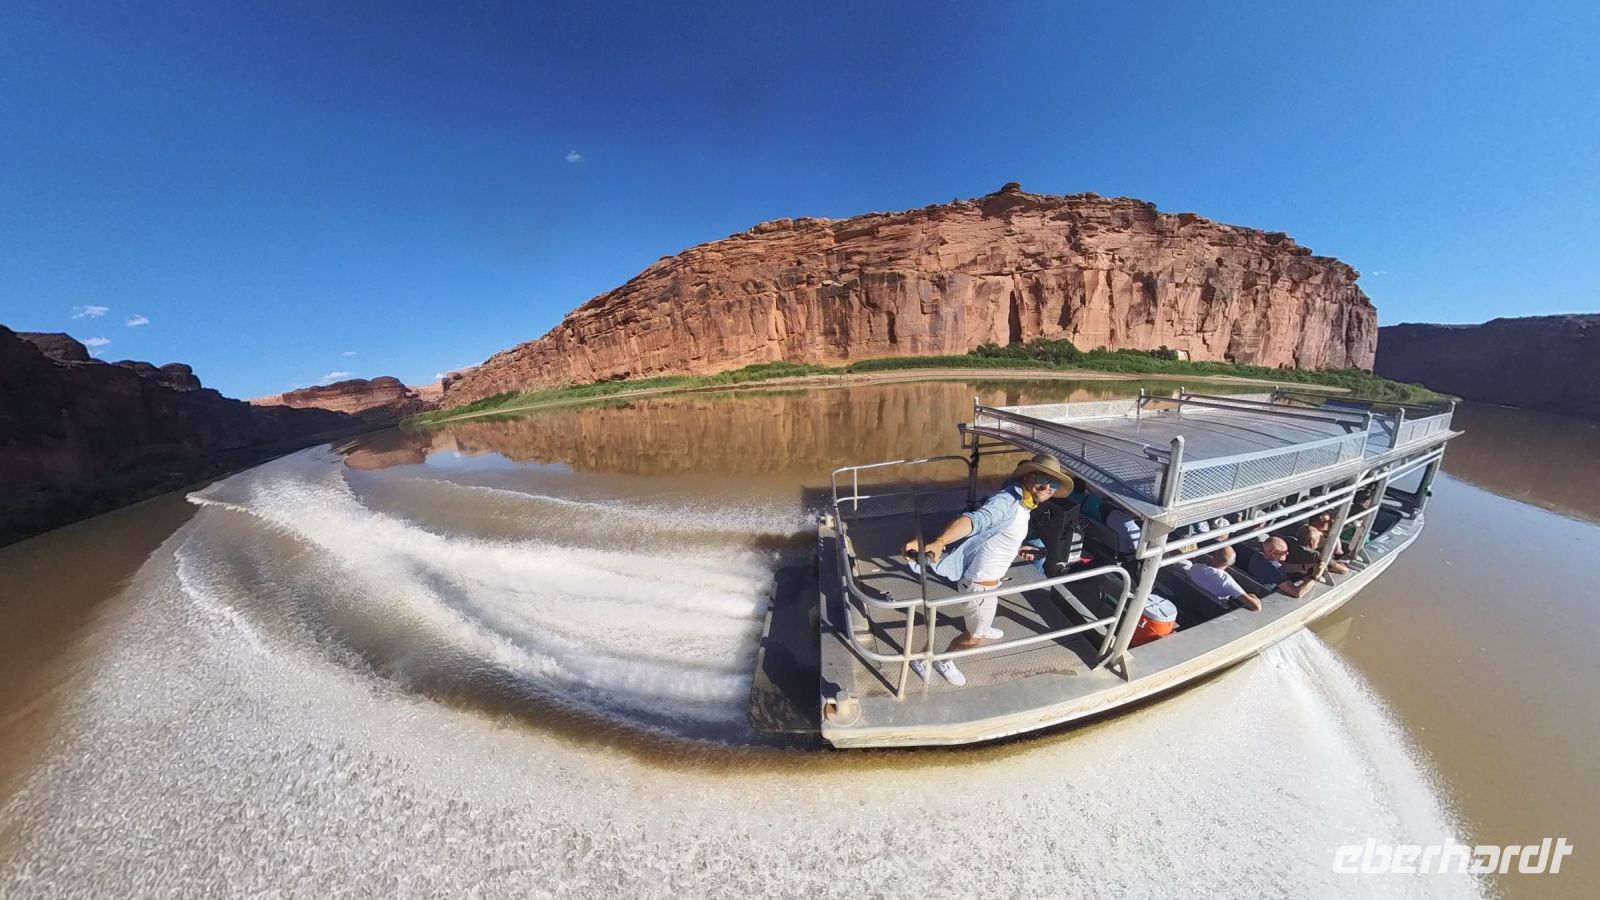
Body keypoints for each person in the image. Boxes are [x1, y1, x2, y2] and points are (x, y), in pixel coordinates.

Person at [902, 453, 1071, 686]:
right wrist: (940, 542)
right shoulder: (1007, 502)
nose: (1047, 487)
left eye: (1054, 483)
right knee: (974, 640)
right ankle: (937, 660)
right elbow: (975, 521)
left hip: (989, 581)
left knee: (981, 617)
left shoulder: (1023, 500)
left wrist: (1016, 548)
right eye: (1043, 478)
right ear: (1029, 476)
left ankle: (982, 623)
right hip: (981, 586)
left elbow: (996, 532)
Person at [1180, 546, 1262, 611]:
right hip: (1211, 611)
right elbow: (1256, 607)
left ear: (1213, 556)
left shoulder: (1196, 567)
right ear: (1232, 563)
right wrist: (1252, 596)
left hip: (1192, 603)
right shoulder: (1226, 581)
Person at [1246, 537, 1315, 599]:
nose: (1287, 553)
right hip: (1271, 595)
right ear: (1273, 553)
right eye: (1284, 552)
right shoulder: (1273, 569)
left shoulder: (1259, 556)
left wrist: (1304, 567)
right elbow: (1297, 593)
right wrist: (1315, 577)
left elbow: (1282, 567)